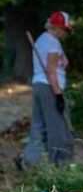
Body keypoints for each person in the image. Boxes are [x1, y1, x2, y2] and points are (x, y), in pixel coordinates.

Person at [16, 11, 74, 169]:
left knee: (38, 126)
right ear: (58, 28)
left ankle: (27, 161)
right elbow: (51, 71)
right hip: (50, 87)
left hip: (38, 85)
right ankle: (60, 164)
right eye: (66, 30)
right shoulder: (53, 43)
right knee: (57, 126)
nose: (66, 33)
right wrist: (58, 94)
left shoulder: (43, 39)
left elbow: (57, 65)